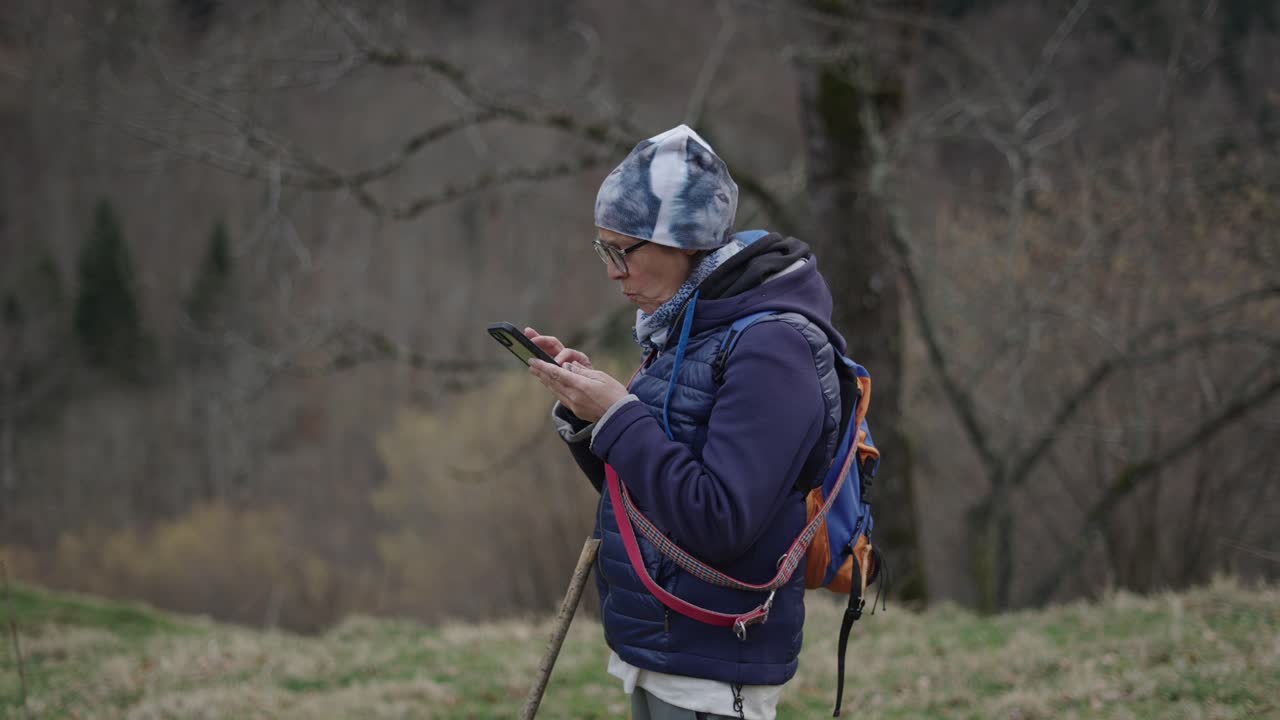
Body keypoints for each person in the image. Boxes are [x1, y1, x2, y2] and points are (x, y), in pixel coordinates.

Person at [525, 124, 847, 720]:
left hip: (714, 663)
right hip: (664, 647)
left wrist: (619, 413)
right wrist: (589, 413)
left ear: (684, 242)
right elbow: (650, 502)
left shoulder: (772, 347)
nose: (613, 271)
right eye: (604, 250)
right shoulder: (690, 330)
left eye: (622, 251)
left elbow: (719, 520)